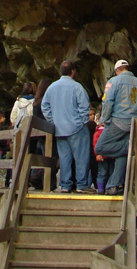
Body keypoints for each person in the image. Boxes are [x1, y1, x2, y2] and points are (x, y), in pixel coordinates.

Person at [95, 60, 137, 195]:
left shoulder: (114, 82)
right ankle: (114, 185)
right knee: (122, 155)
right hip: (135, 124)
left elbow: (107, 101)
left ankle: (129, 147)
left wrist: (104, 119)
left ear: (117, 70)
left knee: (100, 147)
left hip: (117, 122)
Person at [42, 61, 93, 193]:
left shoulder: (52, 88)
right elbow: (84, 106)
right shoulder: (77, 87)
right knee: (81, 157)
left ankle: (65, 184)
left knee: (64, 158)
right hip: (76, 127)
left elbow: (45, 106)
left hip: (59, 129)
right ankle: (81, 184)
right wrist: (83, 121)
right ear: (73, 71)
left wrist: (53, 121)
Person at [30, 79, 56, 191]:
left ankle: (39, 181)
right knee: (50, 159)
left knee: (42, 160)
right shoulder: (44, 103)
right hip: (47, 134)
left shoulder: (35, 103)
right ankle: (49, 183)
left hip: (38, 136)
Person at [93, 122, 114, 195]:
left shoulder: (112, 131)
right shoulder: (99, 132)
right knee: (102, 172)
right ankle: (101, 189)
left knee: (111, 172)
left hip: (111, 156)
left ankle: (109, 188)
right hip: (102, 156)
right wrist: (97, 154)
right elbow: (96, 144)